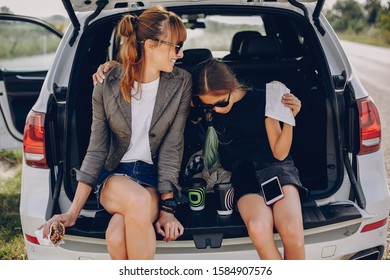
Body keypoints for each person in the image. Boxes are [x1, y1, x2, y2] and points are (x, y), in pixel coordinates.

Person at [40, 6, 192, 260]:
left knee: (117, 236)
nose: (181, 53)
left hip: (151, 179)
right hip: (114, 175)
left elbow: (172, 146)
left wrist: (167, 207)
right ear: (151, 46)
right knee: (138, 203)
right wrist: (74, 211)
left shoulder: (181, 82)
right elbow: (97, 147)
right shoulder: (107, 84)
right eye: (176, 46)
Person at [191, 58, 308, 260]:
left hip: (276, 169)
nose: (216, 109)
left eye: (221, 102)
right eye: (208, 105)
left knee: (291, 228)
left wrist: (289, 118)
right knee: (257, 226)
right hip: (243, 173)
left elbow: (279, 153)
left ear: (232, 87)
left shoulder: (264, 100)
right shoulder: (206, 108)